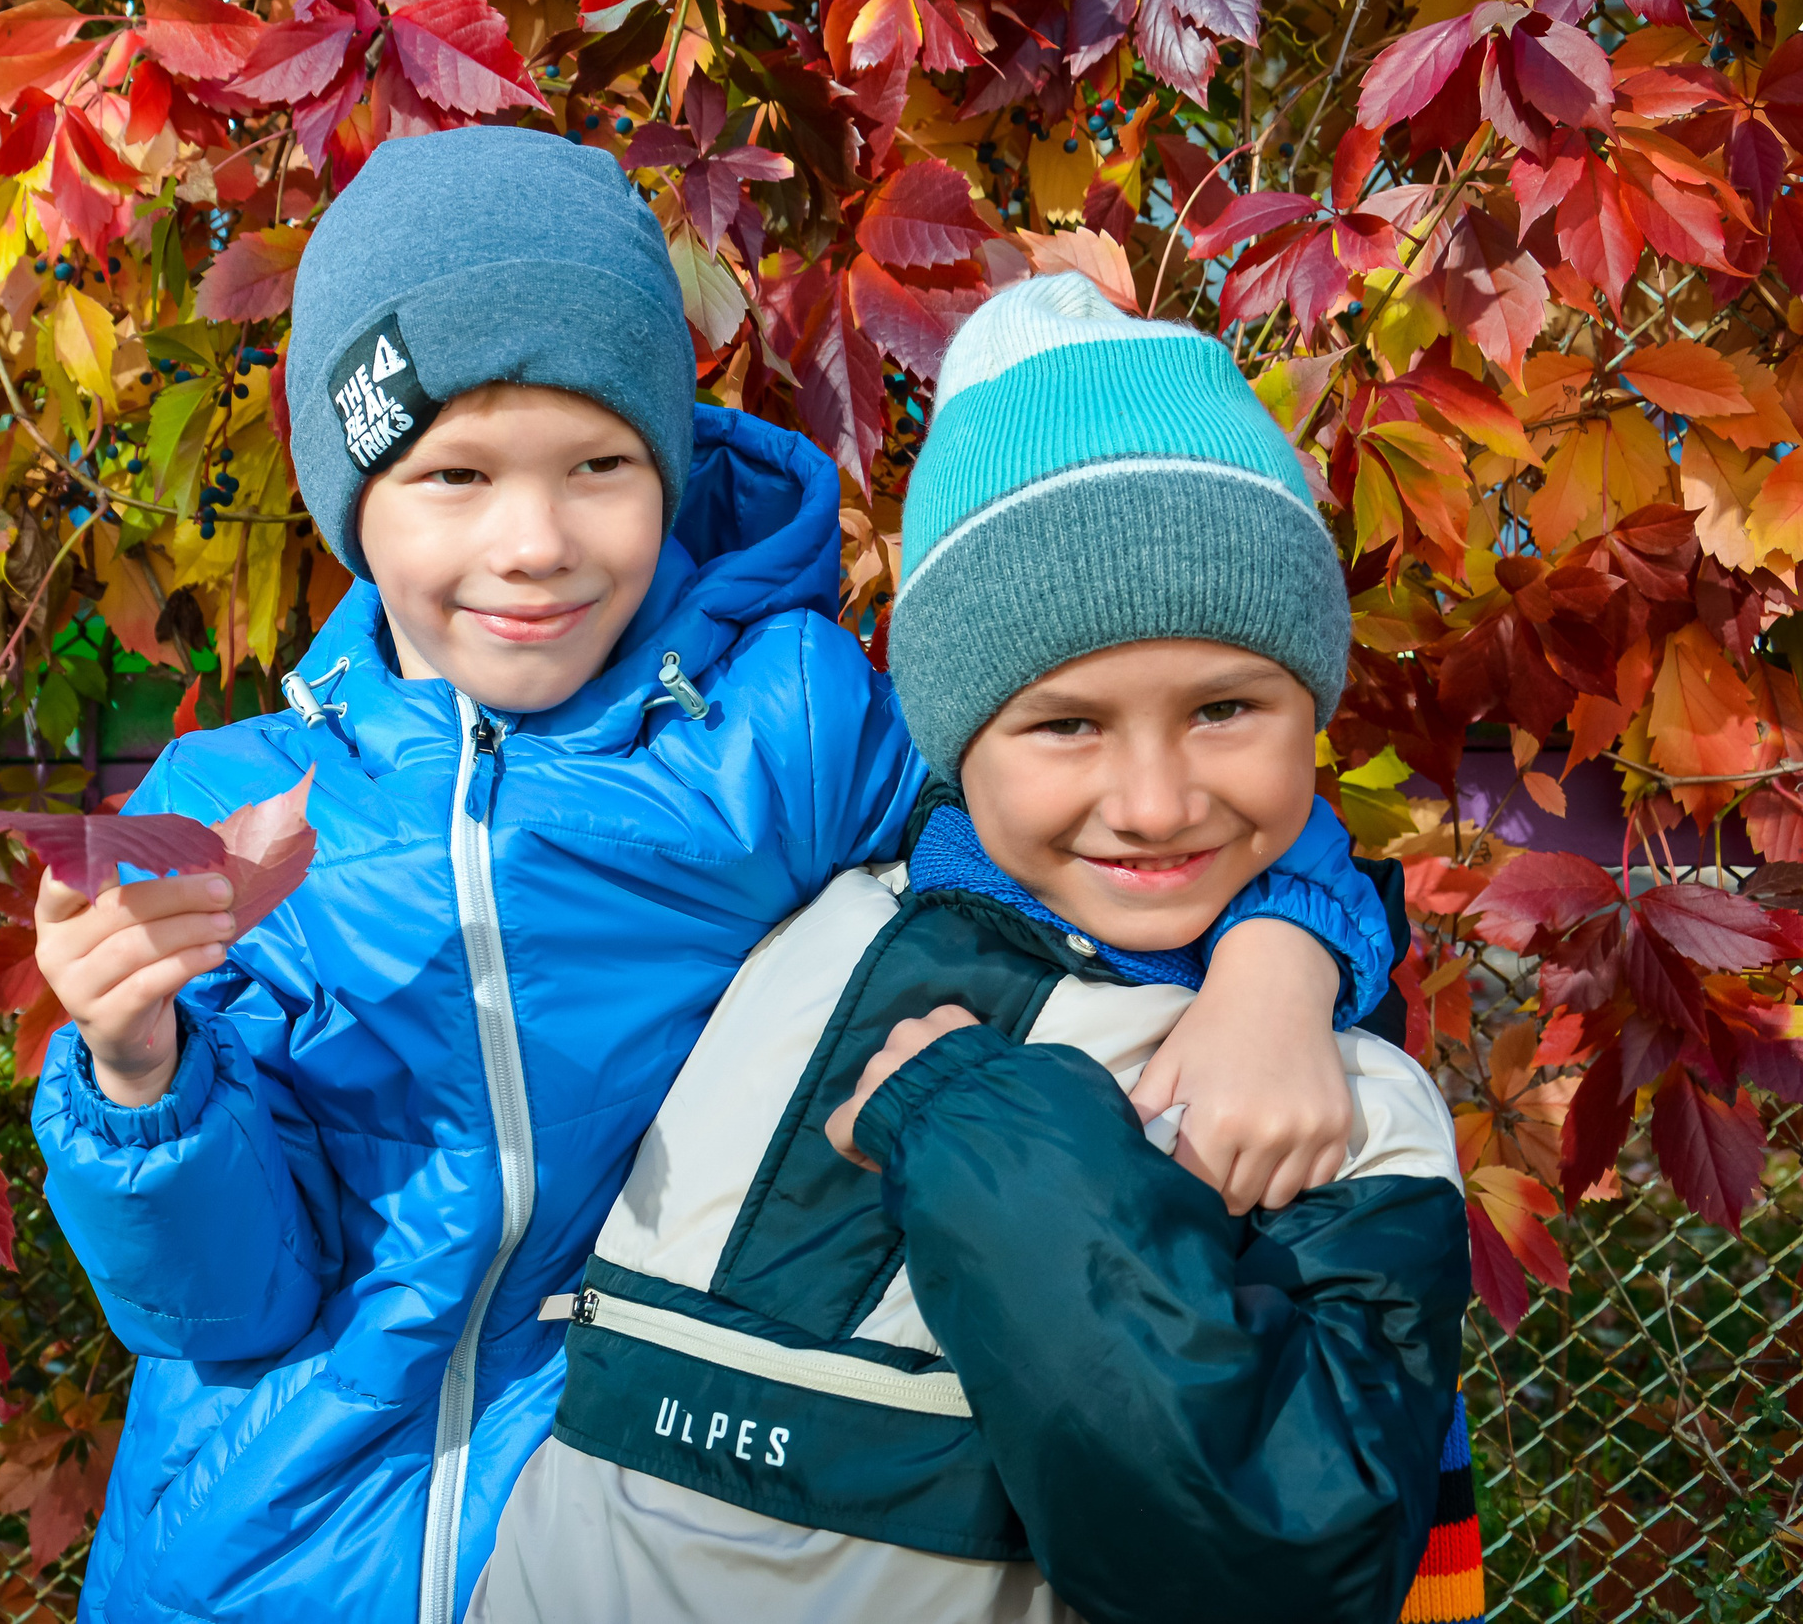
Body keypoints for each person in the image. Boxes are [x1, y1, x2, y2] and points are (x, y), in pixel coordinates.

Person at [27, 135, 1401, 1624]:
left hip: (604, 1548)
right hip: (251, 1563)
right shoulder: (224, 811)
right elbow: (221, 1305)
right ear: (351, 494)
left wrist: (1280, 960)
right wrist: (137, 1071)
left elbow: (1103, 826)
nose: (533, 543)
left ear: (668, 465)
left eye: (599, 466)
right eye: (455, 477)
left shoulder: (784, 733)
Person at [470, 273, 1482, 1624]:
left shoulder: (1330, 1109)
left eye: (1227, 708)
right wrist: (1295, 936)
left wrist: (980, 1126)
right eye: (1065, 724)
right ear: (956, 735)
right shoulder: (805, 912)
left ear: (1317, 706)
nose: (1155, 803)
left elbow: (1268, 1566)